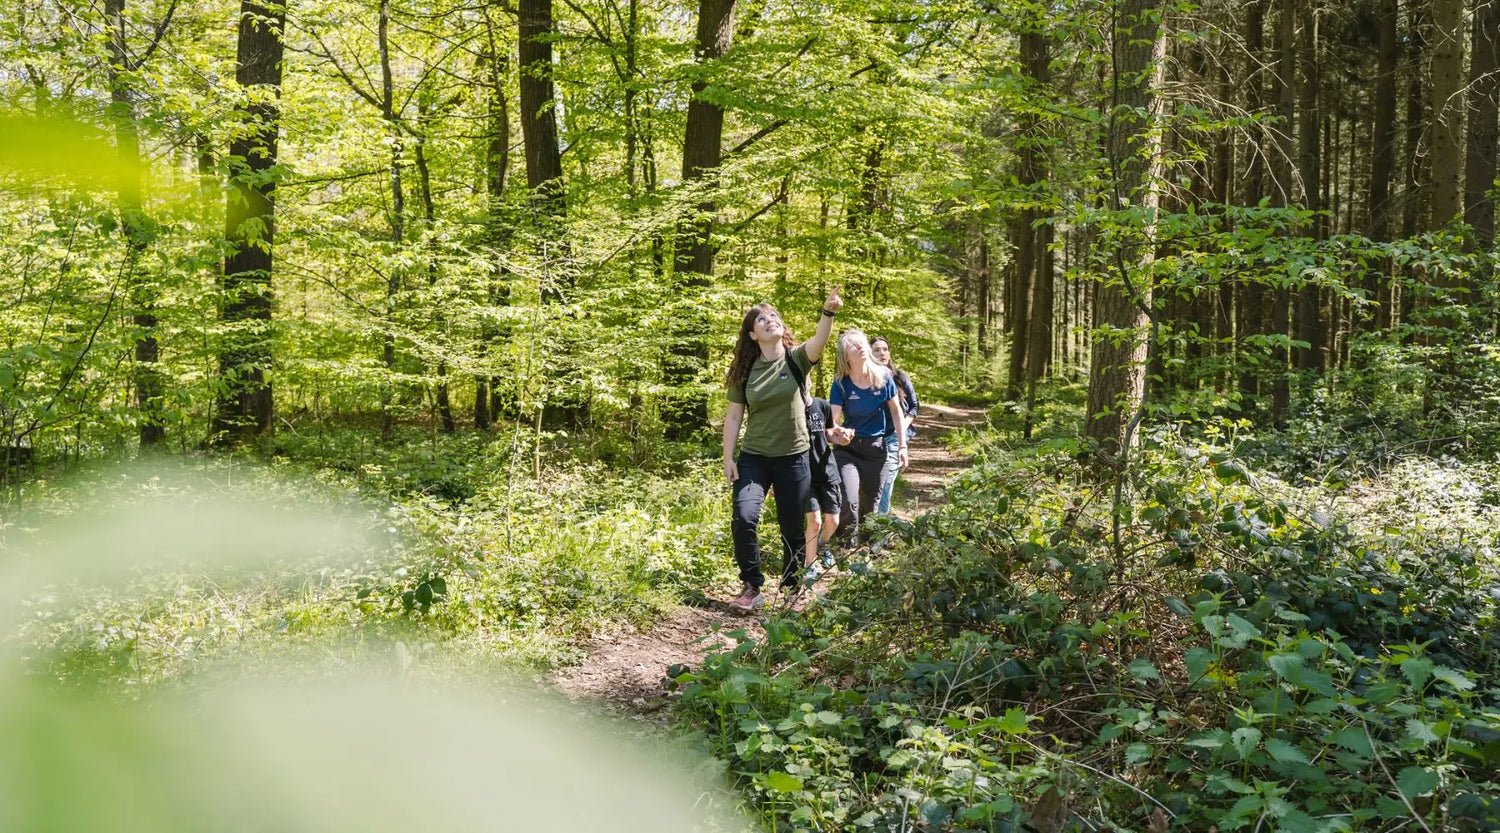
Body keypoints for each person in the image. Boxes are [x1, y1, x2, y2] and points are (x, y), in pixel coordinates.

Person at [722, 288, 843, 612]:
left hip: (794, 457)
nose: (769, 320)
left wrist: (827, 312)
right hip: (755, 458)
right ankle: (751, 586)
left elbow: (819, 341)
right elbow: (734, 417)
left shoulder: (796, 359)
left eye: (774, 316)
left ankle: (792, 588)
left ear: (781, 326)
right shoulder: (745, 372)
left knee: (791, 526)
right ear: (752, 333)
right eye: (761, 318)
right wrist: (728, 458)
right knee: (744, 516)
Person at [829, 330, 908, 548]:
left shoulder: (883, 378)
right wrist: (839, 433)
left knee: (870, 506)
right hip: (848, 450)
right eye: (853, 345)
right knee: (849, 501)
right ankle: (846, 548)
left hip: (876, 450)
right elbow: (833, 421)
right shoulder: (841, 384)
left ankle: (866, 550)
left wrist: (902, 446)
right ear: (846, 355)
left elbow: (896, 412)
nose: (860, 346)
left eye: (861, 342)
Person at [871, 336, 919, 515]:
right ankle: (869, 527)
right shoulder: (863, 378)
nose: (882, 353)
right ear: (869, 353)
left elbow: (914, 406)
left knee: (886, 485)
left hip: (893, 437)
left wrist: (902, 429)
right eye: (877, 349)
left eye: (885, 349)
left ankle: (879, 534)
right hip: (869, 438)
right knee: (870, 485)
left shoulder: (899, 377)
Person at [802, 395, 842, 587]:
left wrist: (841, 435)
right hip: (804, 475)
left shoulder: (822, 405)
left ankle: (823, 544)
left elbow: (831, 432)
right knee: (815, 521)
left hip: (827, 471)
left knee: (833, 521)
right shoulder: (787, 408)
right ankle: (810, 564)